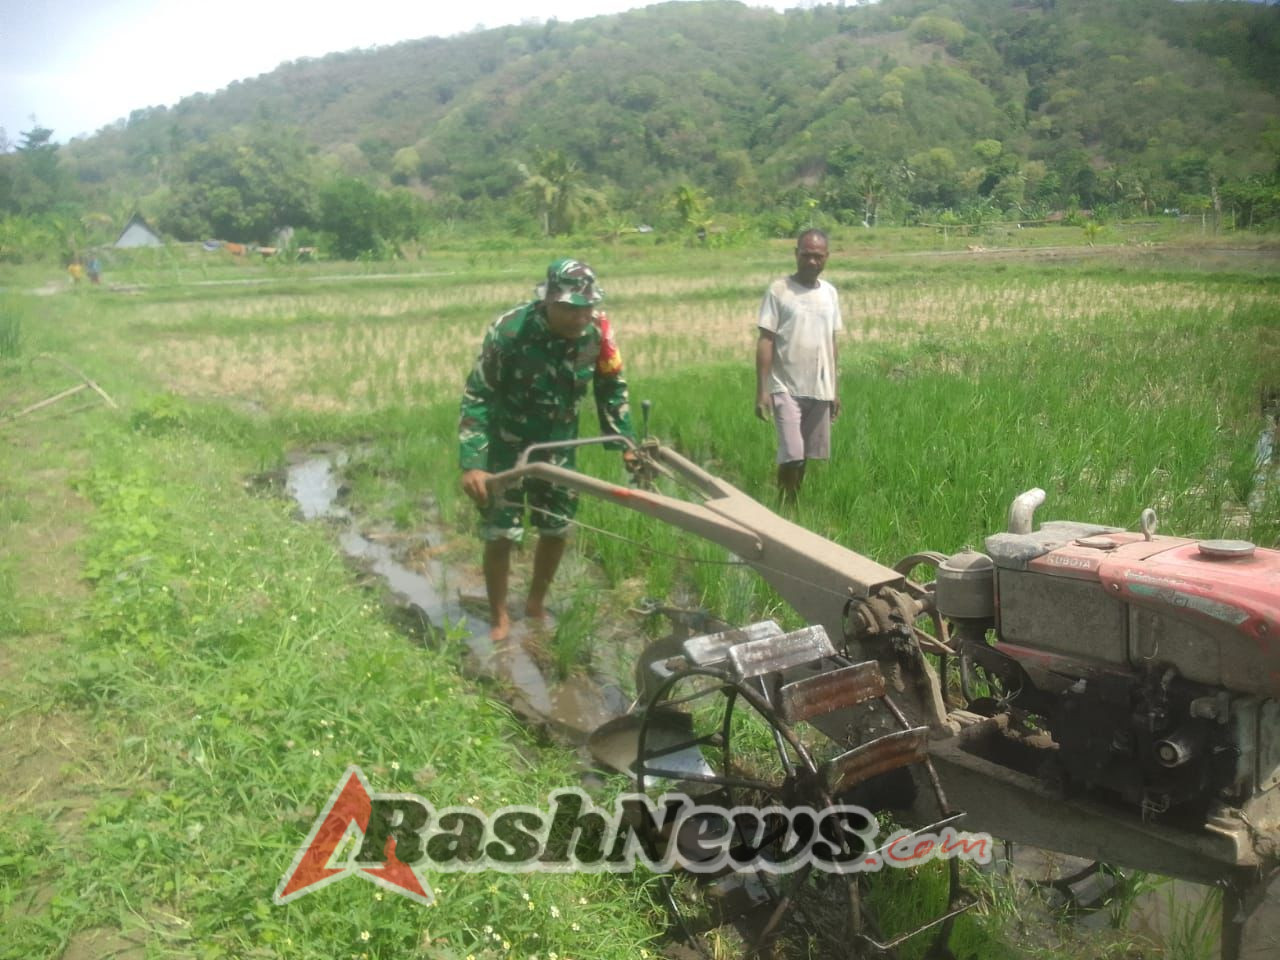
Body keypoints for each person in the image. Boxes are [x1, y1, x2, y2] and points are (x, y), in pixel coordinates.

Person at [459, 257, 635, 641]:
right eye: (569, 309)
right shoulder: (510, 332)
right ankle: (499, 617)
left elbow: (611, 387)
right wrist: (473, 462)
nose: (578, 318)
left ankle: (536, 603)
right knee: (500, 533)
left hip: (560, 447)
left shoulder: (598, 334)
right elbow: (479, 395)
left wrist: (626, 441)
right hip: (506, 448)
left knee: (556, 529)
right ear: (548, 301)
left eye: (585, 308)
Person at [754, 228, 842, 504]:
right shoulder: (779, 291)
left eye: (818, 256)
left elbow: (831, 341)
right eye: (806, 255)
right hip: (785, 386)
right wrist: (762, 390)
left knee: (805, 455)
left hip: (819, 387)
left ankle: (793, 503)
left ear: (826, 257)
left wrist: (835, 389)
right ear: (796, 254)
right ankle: (784, 502)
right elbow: (766, 339)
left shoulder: (829, 293)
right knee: (792, 452)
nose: (812, 261)